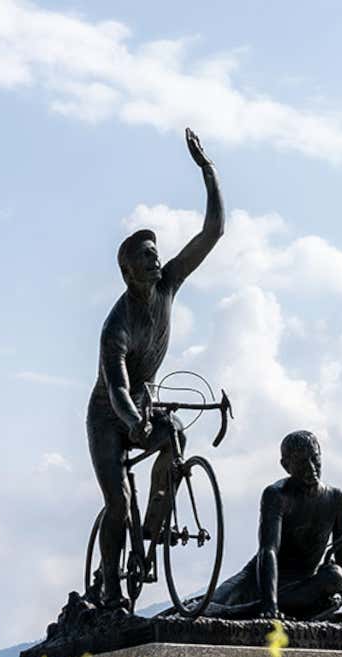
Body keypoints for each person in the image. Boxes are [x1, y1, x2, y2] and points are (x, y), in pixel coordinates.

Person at [86, 128, 224, 610]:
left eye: (155, 252)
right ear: (127, 271)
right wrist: (133, 420)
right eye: (145, 255)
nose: (156, 258)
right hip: (108, 415)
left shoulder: (168, 286)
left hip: (139, 402)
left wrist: (208, 171)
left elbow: (212, 234)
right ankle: (109, 586)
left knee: (175, 435)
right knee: (116, 504)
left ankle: (152, 528)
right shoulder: (116, 326)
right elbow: (118, 388)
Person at [200, 430, 342, 621]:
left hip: (303, 583)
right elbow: (268, 551)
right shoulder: (277, 495)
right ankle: (255, 608)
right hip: (260, 577)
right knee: (208, 606)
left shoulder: (338, 500)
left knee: (336, 576)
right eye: (301, 463)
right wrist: (270, 605)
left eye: (315, 459)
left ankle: (244, 611)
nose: (311, 468)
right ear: (286, 466)